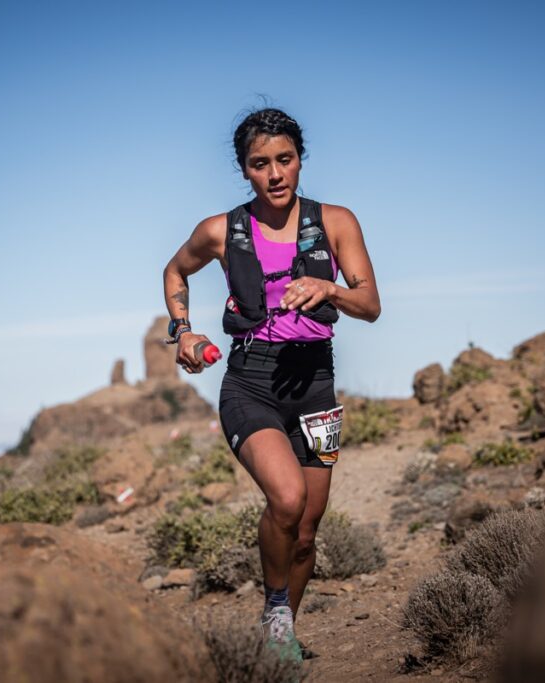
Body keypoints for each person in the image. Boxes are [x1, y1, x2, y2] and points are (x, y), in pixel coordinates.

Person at [162, 108, 381, 661]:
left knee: (306, 530)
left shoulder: (335, 222)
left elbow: (370, 305)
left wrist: (327, 289)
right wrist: (184, 332)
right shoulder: (220, 230)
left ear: (300, 159)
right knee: (286, 500)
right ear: (245, 171)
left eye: (285, 160)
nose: (276, 174)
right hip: (251, 383)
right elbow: (174, 272)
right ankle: (277, 619)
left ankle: (278, 626)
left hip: (316, 385)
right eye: (261, 164)